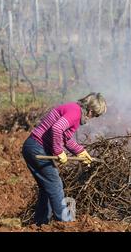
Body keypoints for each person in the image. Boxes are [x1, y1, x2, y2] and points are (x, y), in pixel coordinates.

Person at [22, 92, 107, 226]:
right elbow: (56, 128)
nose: (92, 118)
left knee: (46, 187)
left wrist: (81, 152)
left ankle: (41, 222)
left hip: (33, 146)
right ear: (90, 110)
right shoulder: (76, 112)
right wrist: (58, 151)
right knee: (55, 185)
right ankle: (65, 223)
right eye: (95, 115)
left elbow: (65, 138)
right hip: (37, 147)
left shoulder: (73, 109)